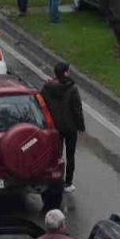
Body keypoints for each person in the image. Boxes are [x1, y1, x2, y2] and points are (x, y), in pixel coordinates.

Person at [40, 62, 85, 191]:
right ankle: (68, 182)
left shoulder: (47, 88)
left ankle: (56, 180)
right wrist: (80, 126)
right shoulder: (72, 88)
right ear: (65, 73)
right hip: (70, 128)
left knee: (56, 155)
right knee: (70, 155)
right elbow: (77, 110)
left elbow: (42, 106)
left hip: (55, 128)